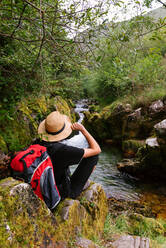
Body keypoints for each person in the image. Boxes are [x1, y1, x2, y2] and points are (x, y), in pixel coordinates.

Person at [35, 111, 101, 200]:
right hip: (60, 193)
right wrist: (83, 130)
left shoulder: (38, 144)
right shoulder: (63, 150)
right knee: (93, 157)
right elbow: (97, 150)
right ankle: (80, 186)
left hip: (42, 188)